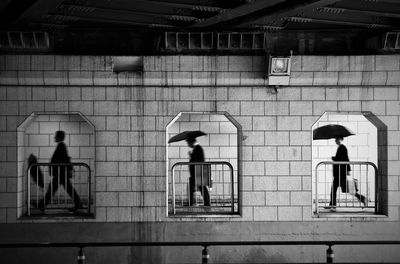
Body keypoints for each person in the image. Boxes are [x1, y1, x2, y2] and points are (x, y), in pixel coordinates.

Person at [39, 130, 82, 212]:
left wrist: (68, 169)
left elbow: (65, 158)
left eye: (55, 136)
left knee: (52, 190)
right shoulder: (61, 145)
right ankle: (78, 203)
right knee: (65, 189)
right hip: (61, 173)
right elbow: (66, 158)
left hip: (60, 173)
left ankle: (41, 205)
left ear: (59, 137)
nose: (54, 137)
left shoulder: (61, 146)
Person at [329, 137, 366, 211]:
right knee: (345, 189)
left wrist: (334, 158)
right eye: (335, 139)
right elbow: (344, 158)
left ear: (341, 139)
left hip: (341, 172)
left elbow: (344, 159)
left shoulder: (342, 147)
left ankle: (332, 205)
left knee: (337, 188)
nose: (335, 140)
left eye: (337, 139)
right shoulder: (341, 147)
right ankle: (332, 204)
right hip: (341, 172)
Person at [187, 137, 211, 206]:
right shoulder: (197, 149)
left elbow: (198, 160)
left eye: (189, 143)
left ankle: (206, 203)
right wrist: (191, 155)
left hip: (198, 171)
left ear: (192, 142)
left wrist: (191, 156)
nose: (188, 145)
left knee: (202, 188)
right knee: (200, 188)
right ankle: (192, 202)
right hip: (197, 171)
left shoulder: (198, 149)